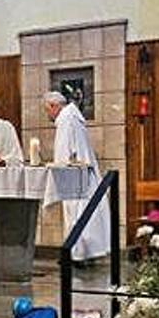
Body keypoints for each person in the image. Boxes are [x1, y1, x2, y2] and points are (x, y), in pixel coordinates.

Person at [43, 91, 111, 261]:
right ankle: (79, 253)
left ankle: (77, 254)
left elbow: (65, 152)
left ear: (54, 106)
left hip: (73, 176)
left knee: (76, 214)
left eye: (47, 110)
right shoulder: (73, 117)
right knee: (81, 214)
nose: (48, 115)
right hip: (82, 175)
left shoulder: (66, 120)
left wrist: (57, 166)